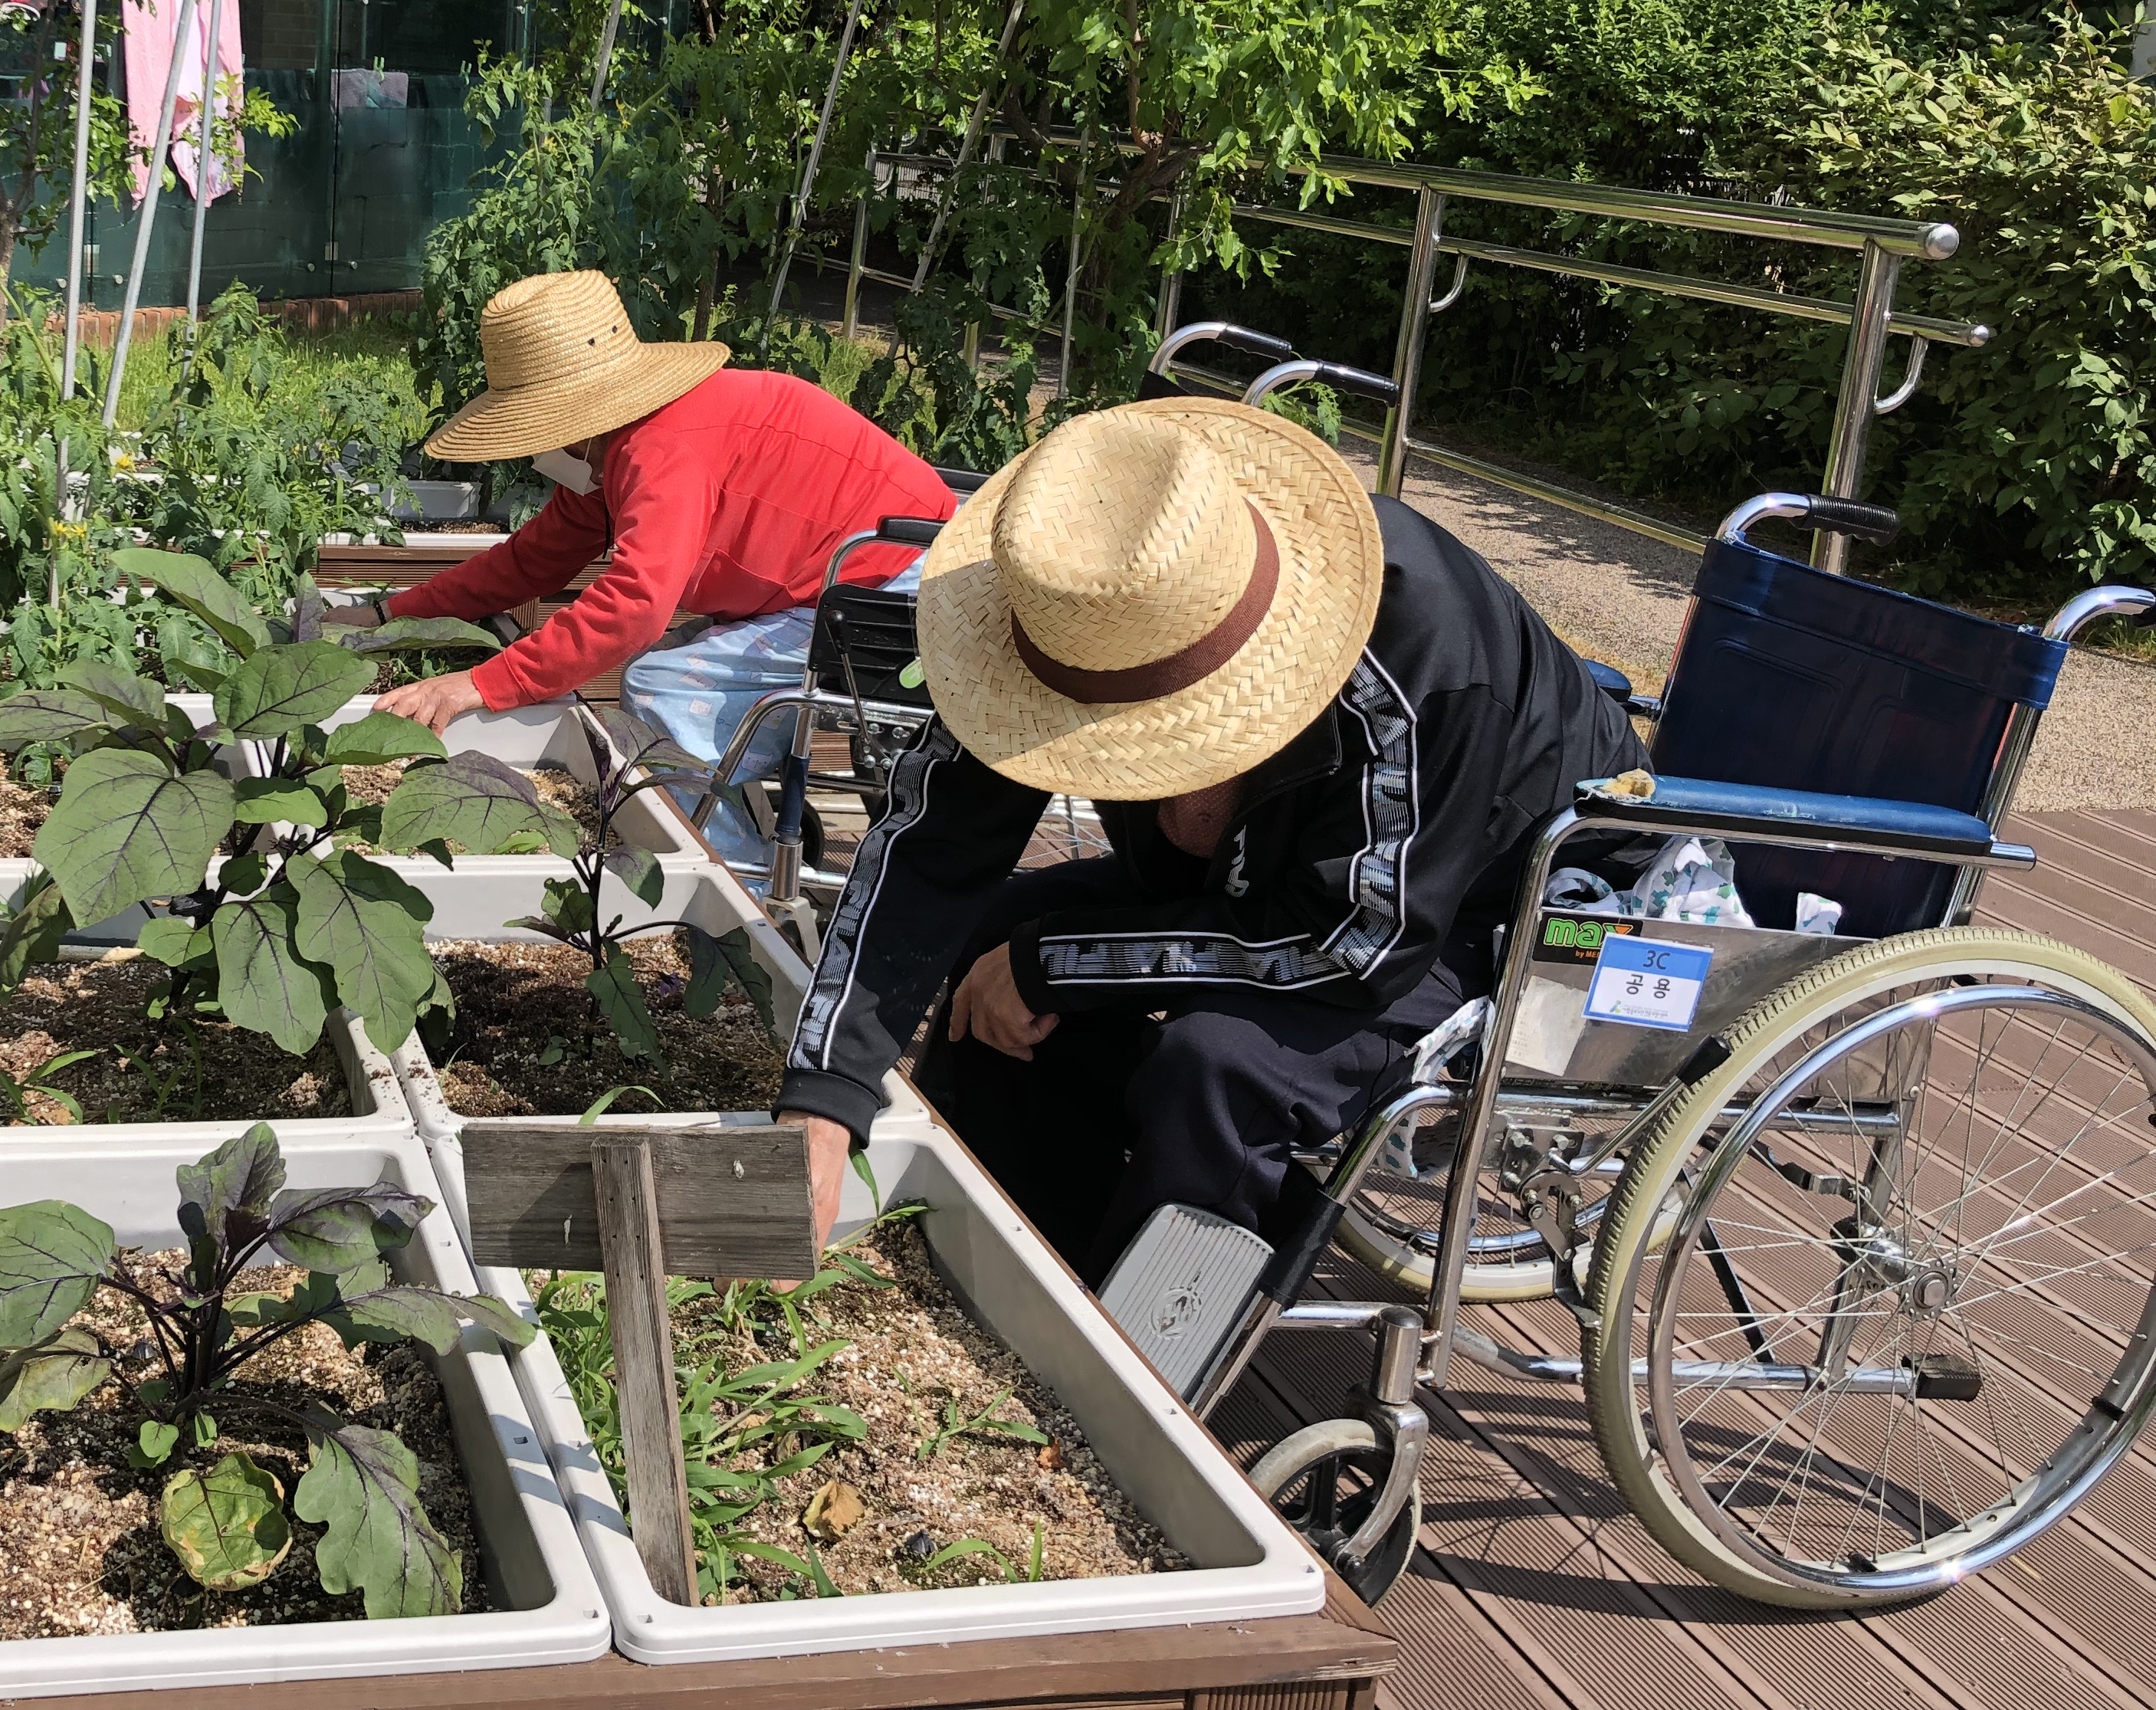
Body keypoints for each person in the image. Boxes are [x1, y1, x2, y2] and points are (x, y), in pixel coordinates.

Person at [775, 395, 1645, 1283]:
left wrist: (1054, 964)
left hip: (1486, 906)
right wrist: (823, 1101)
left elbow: (1356, 947)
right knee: (991, 936)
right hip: (1262, 865)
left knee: (1219, 1062)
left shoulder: (1421, 658)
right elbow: (929, 849)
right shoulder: (1056, 609)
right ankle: (1009, 1261)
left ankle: (1150, 1331)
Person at [369, 270, 956, 864]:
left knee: (665, 687)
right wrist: (388, 615)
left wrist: (478, 684)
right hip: (844, 583)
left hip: (896, 585)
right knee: (668, 673)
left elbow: (635, 606)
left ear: (570, 415)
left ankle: (730, 880)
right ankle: (728, 823)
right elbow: (531, 561)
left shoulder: (659, 447)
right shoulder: (614, 448)